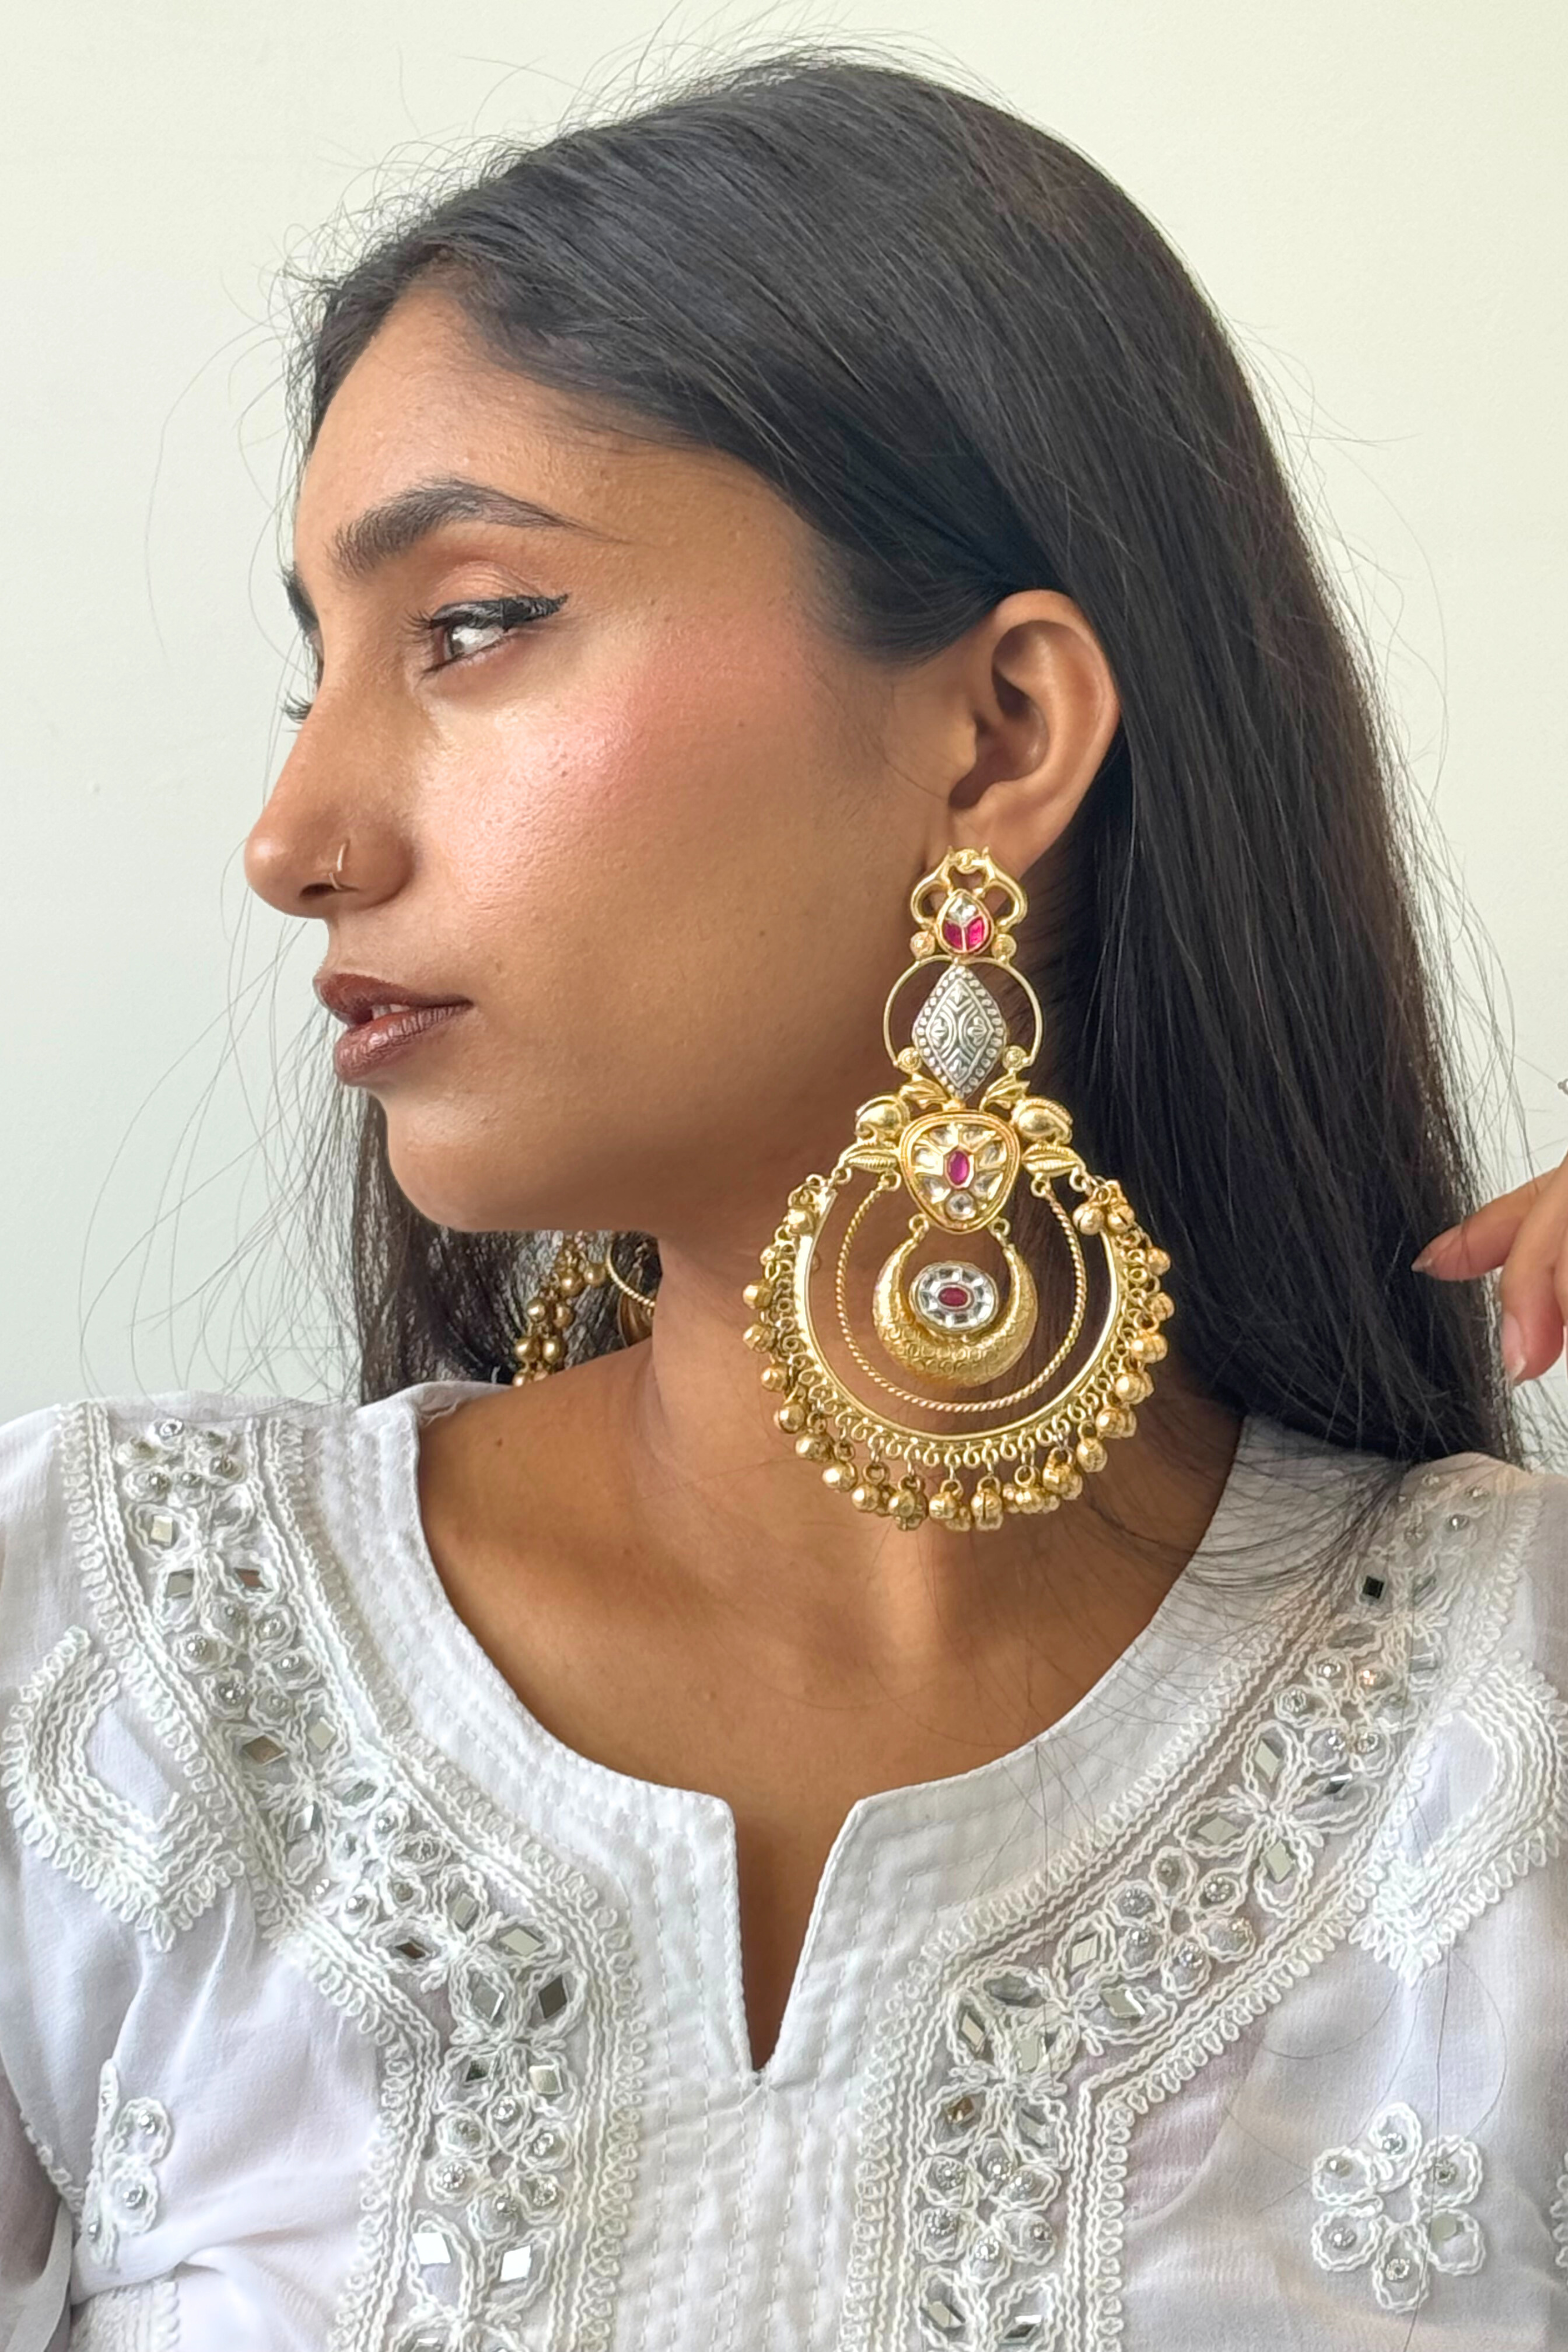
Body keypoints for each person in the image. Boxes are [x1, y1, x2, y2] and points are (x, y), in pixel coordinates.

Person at [2, 44, 1565, 2352]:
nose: (296, 832)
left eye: (469, 625)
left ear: (999, 734)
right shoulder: (95, 1667)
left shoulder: (1504, 1730)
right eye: (311, 666)